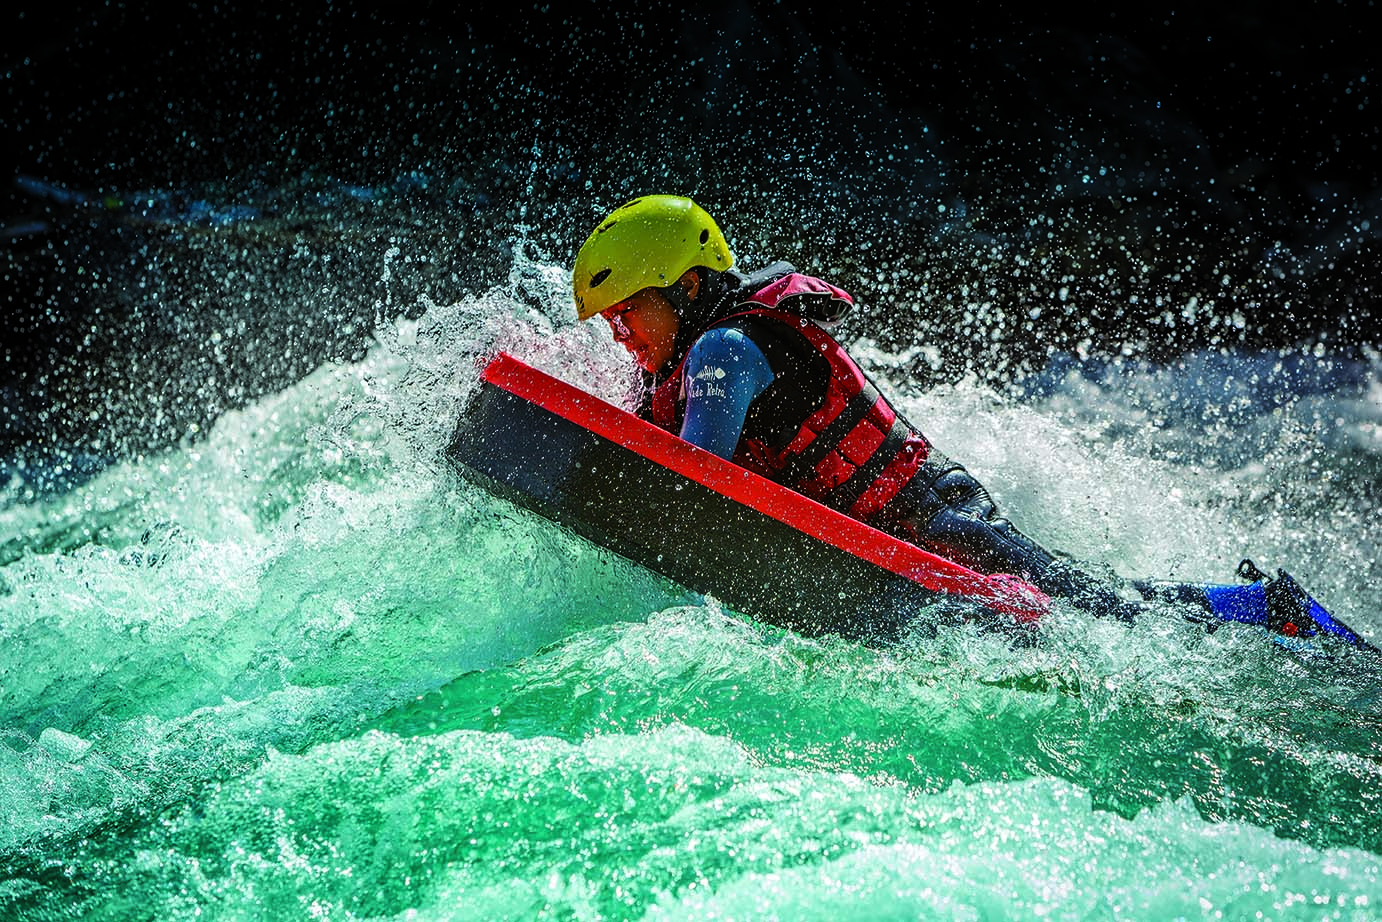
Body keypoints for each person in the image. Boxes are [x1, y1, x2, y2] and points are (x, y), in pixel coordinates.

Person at [571, 194, 1140, 622]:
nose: (619, 334)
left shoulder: (723, 350)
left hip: (941, 521)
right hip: (898, 531)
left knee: (1106, 609)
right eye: (609, 322)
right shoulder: (677, 366)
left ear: (689, 288)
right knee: (1092, 599)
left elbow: (688, 479)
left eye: (628, 313)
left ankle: (1227, 607)